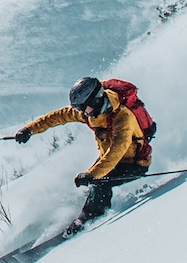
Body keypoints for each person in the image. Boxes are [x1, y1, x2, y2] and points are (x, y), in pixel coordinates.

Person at [14, 76, 152, 221]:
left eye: (82, 107)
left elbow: (117, 151)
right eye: (78, 108)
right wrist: (29, 130)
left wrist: (92, 174)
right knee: (95, 182)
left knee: (101, 182)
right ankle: (87, 207)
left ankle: (91, 218)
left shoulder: (122, 116)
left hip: (134, 163)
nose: (81, 111)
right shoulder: (91, 114)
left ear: (96, 100)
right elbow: (58, 116)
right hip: (110, 159)